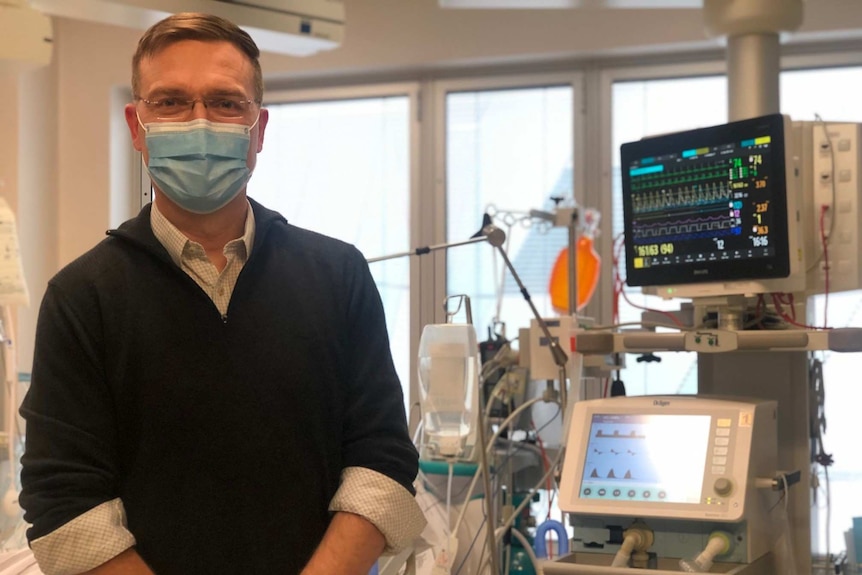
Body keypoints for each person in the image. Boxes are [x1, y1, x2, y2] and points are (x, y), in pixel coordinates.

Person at [19, 12, 425, 575]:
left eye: (226, 103)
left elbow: (382, 461)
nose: (200, 123)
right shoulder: (82, 298)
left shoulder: (338, 276)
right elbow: (64, 501)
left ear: (258, 131)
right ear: (137, 126)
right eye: (171, 102)